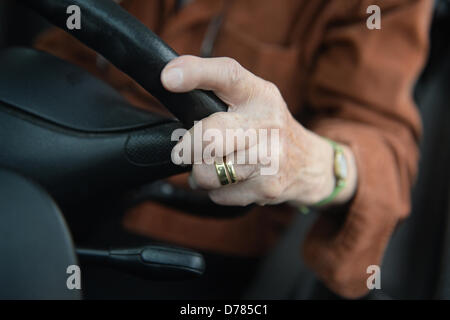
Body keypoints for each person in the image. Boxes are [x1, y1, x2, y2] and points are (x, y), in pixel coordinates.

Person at [34, 0, 433, 298]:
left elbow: (384, 149)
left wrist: (298, 160)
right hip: (56, 189)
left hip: (200, 246)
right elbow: (59, 55)